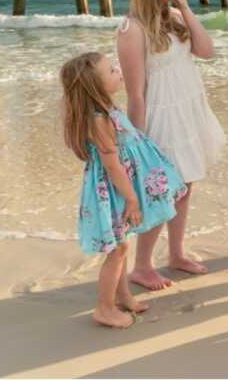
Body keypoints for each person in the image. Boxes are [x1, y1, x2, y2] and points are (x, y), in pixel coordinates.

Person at [117, 0, 225, 291]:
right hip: (161, 118)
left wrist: (187, 9)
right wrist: (136, 141)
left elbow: (207, 51)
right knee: (161, 192)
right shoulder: (131, 29)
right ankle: (142, 266)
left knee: (186, 184)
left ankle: (176, 253)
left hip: (189, 111)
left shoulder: (177, 17)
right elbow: (136, 93)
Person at [60, 52, 187, 328]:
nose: (118, 70)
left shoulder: (107, 109)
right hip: (116, 191)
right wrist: (132, 198)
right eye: (111, 70)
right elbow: (113, 165)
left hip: (120, 188)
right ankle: (104, 308)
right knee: (117, 250)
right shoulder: (98, 119)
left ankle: (123, 296)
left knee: (123, 243)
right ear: (95, 85)